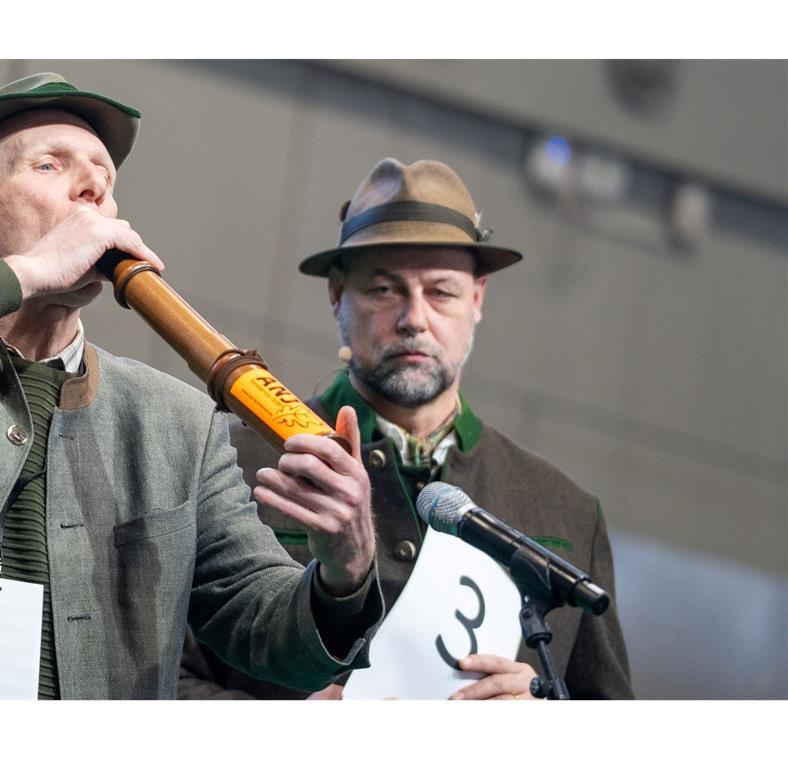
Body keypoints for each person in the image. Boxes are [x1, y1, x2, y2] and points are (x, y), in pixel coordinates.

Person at [0, 73, 382, 700]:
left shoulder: (178, 423)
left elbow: (268, 632)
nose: (93, 190)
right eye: (50, 166)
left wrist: (345, 568)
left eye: (104, 183)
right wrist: (29, 270)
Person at [180, 158, 634, 700]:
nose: (414, 318)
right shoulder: (229, 461)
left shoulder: (566, 511)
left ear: (478, 298)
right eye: (385, 290)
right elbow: (146, 678)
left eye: (441, 292)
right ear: (337, 296)